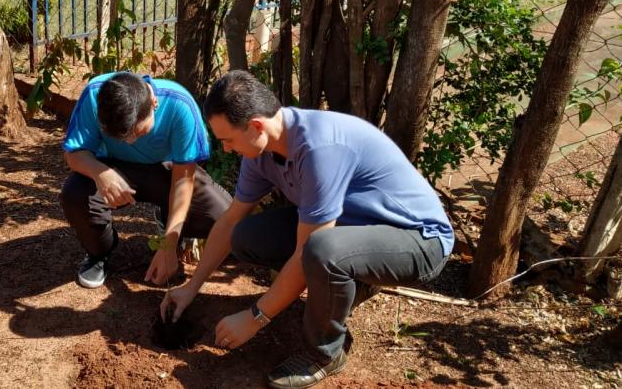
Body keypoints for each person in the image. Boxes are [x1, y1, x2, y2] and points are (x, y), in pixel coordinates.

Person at [160, 70, 454, 389]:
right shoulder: (262, 153)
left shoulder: (319, 148)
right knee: (246, 236)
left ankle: (325, 352)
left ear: (257, 126)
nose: (227, 149)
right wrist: (192, 286)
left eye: (228, 139)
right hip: (351, 227)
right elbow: (230, 220)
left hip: (417, 240)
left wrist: (256, 316)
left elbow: (308, 249)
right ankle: (338, 288)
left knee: (321, 252)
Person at [60, 72, 232, 289]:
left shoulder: (180, 105)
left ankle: (170, 222)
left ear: (154, 103)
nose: (130, 141)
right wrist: (100, 172)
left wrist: (169, 244)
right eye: (121, 137)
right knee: (74, 194)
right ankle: (99, 253)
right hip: (114, 167)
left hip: (168, 173)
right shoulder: (95, 95)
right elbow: (74, 154)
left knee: (222, 215)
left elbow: (183, 181)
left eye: (138, 132)